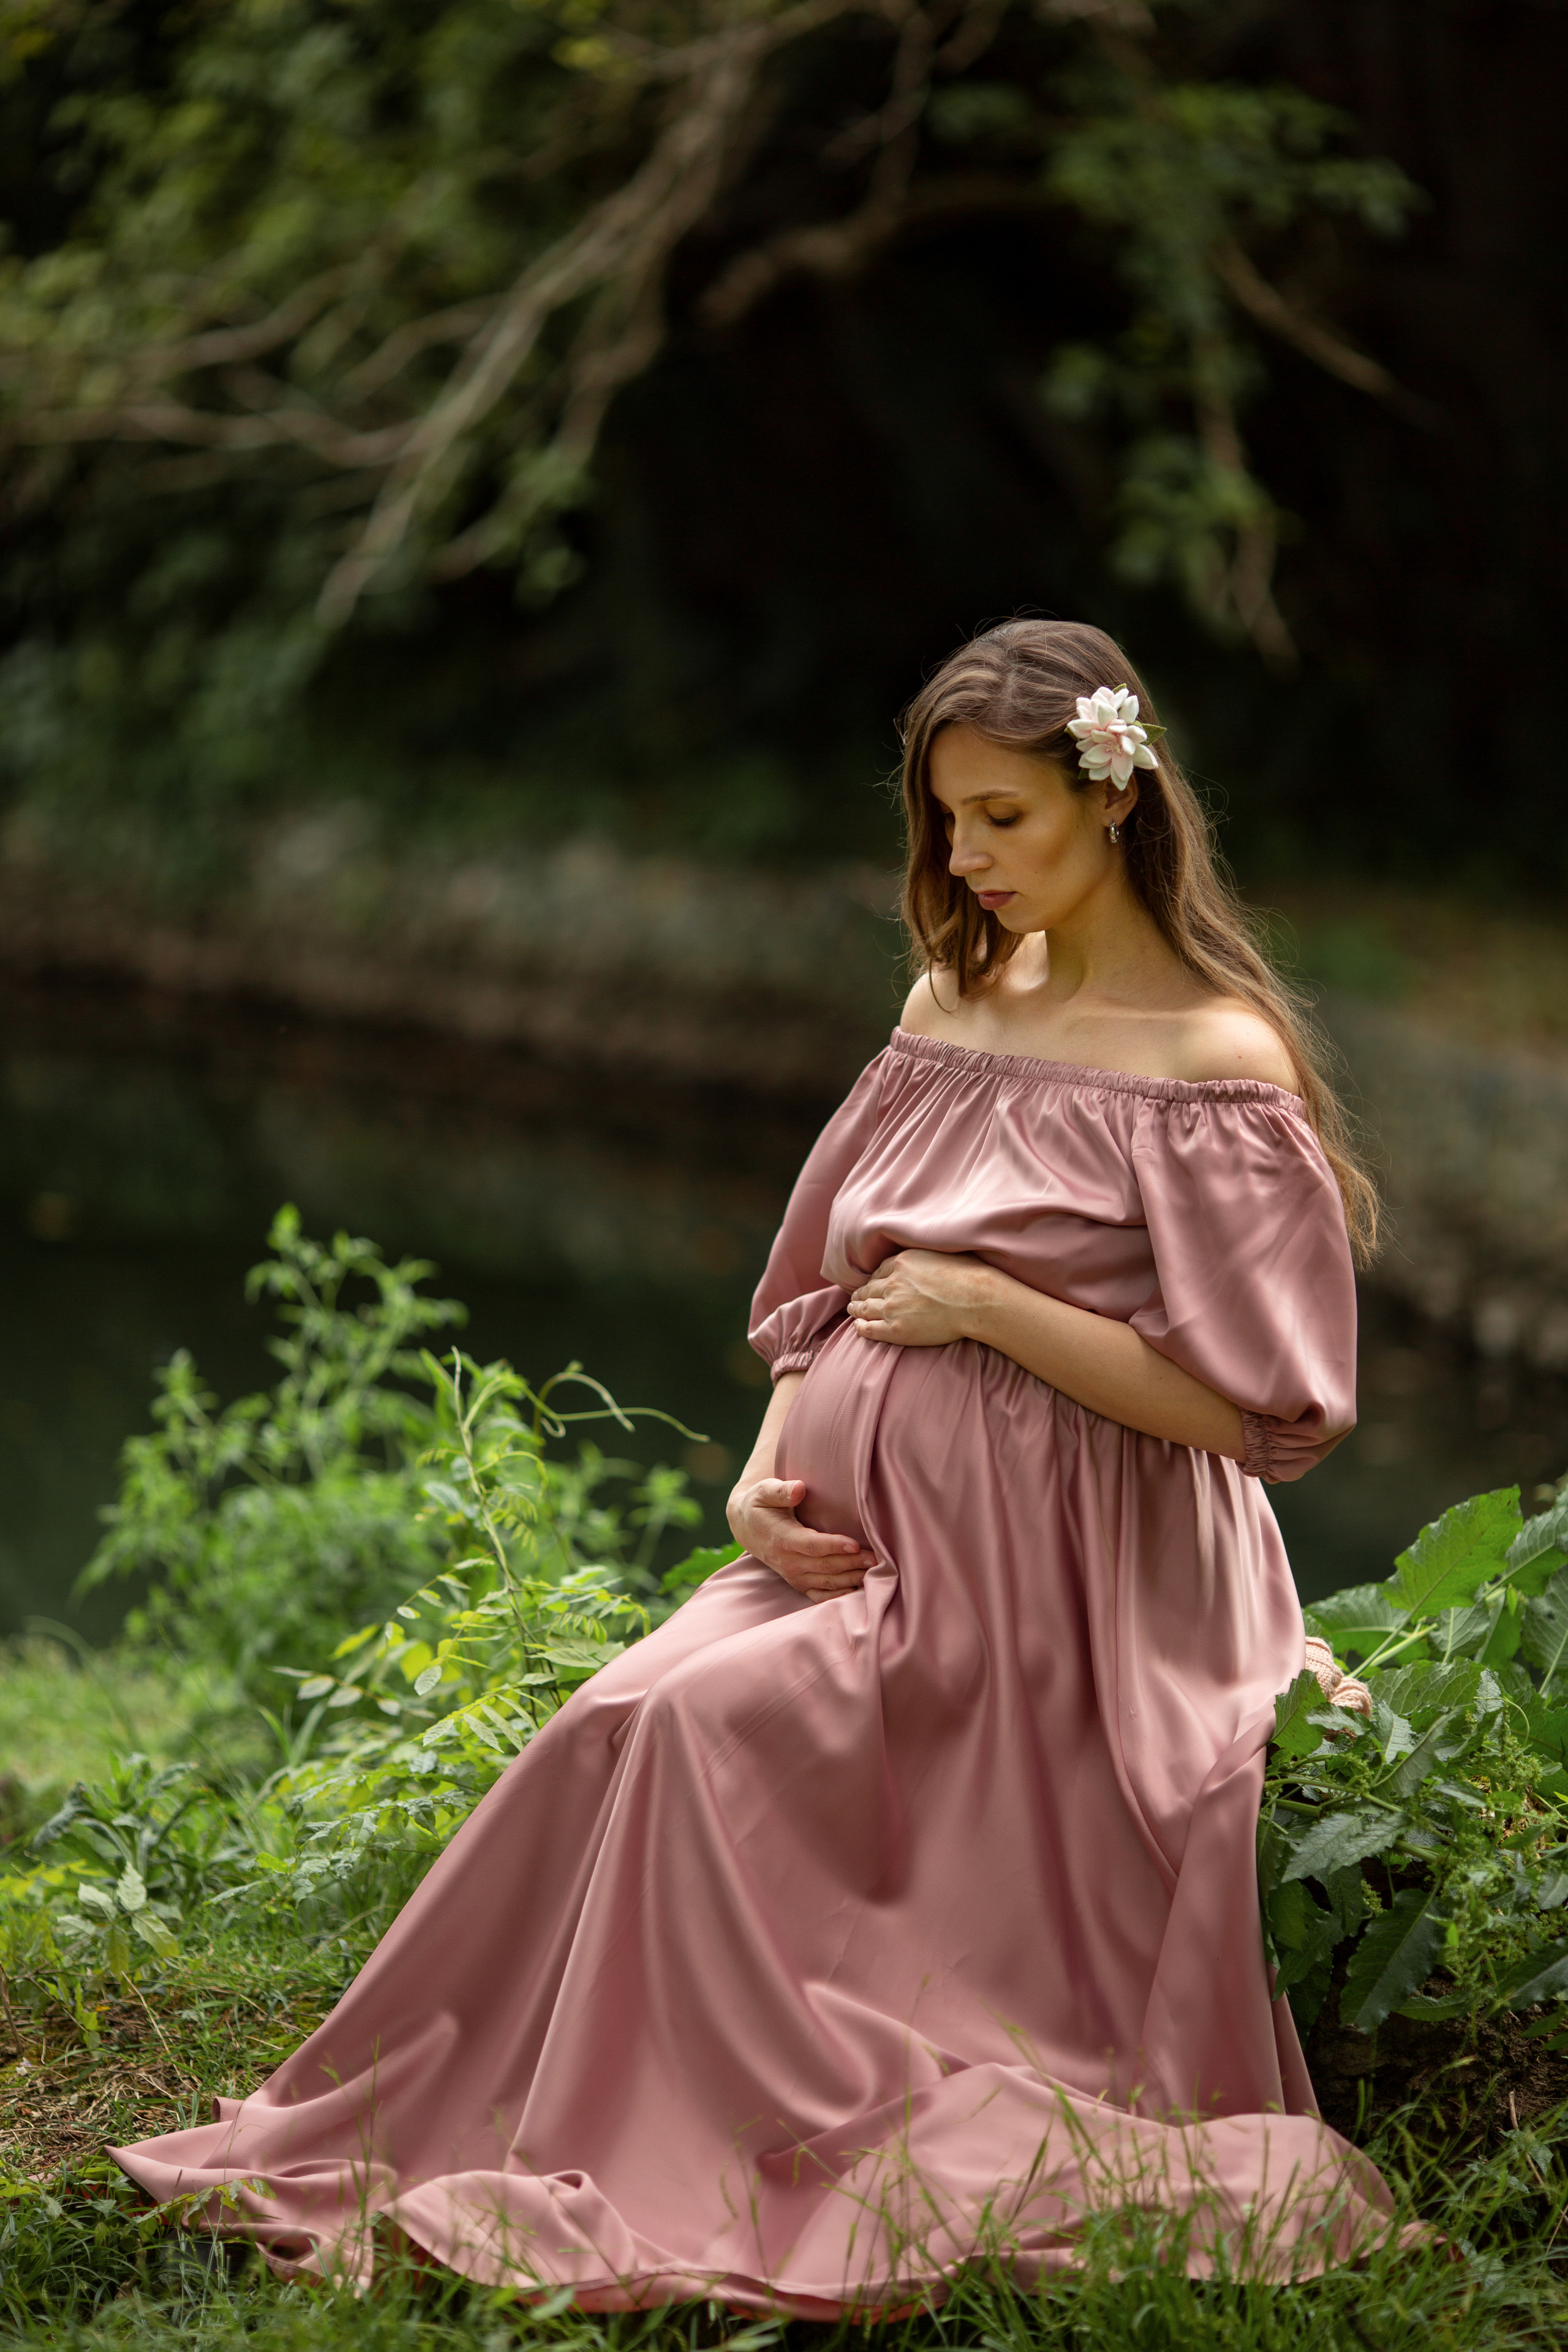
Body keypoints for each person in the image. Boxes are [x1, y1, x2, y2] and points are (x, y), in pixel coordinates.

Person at [112, 619, 1401, 2307]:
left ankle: (695, 2150)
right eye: (946, 820)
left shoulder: (1211, 1063)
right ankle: (536, 2119)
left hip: (1069, 1612)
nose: (966, 858)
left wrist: (994, 1312)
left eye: (1005, 817)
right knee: (625, 1717)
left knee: (701, 1734)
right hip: (864, 1557)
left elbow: (1262, 1419)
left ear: (1116, 796)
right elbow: (827, 1302)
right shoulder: (952, 999)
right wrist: (761, 1476)